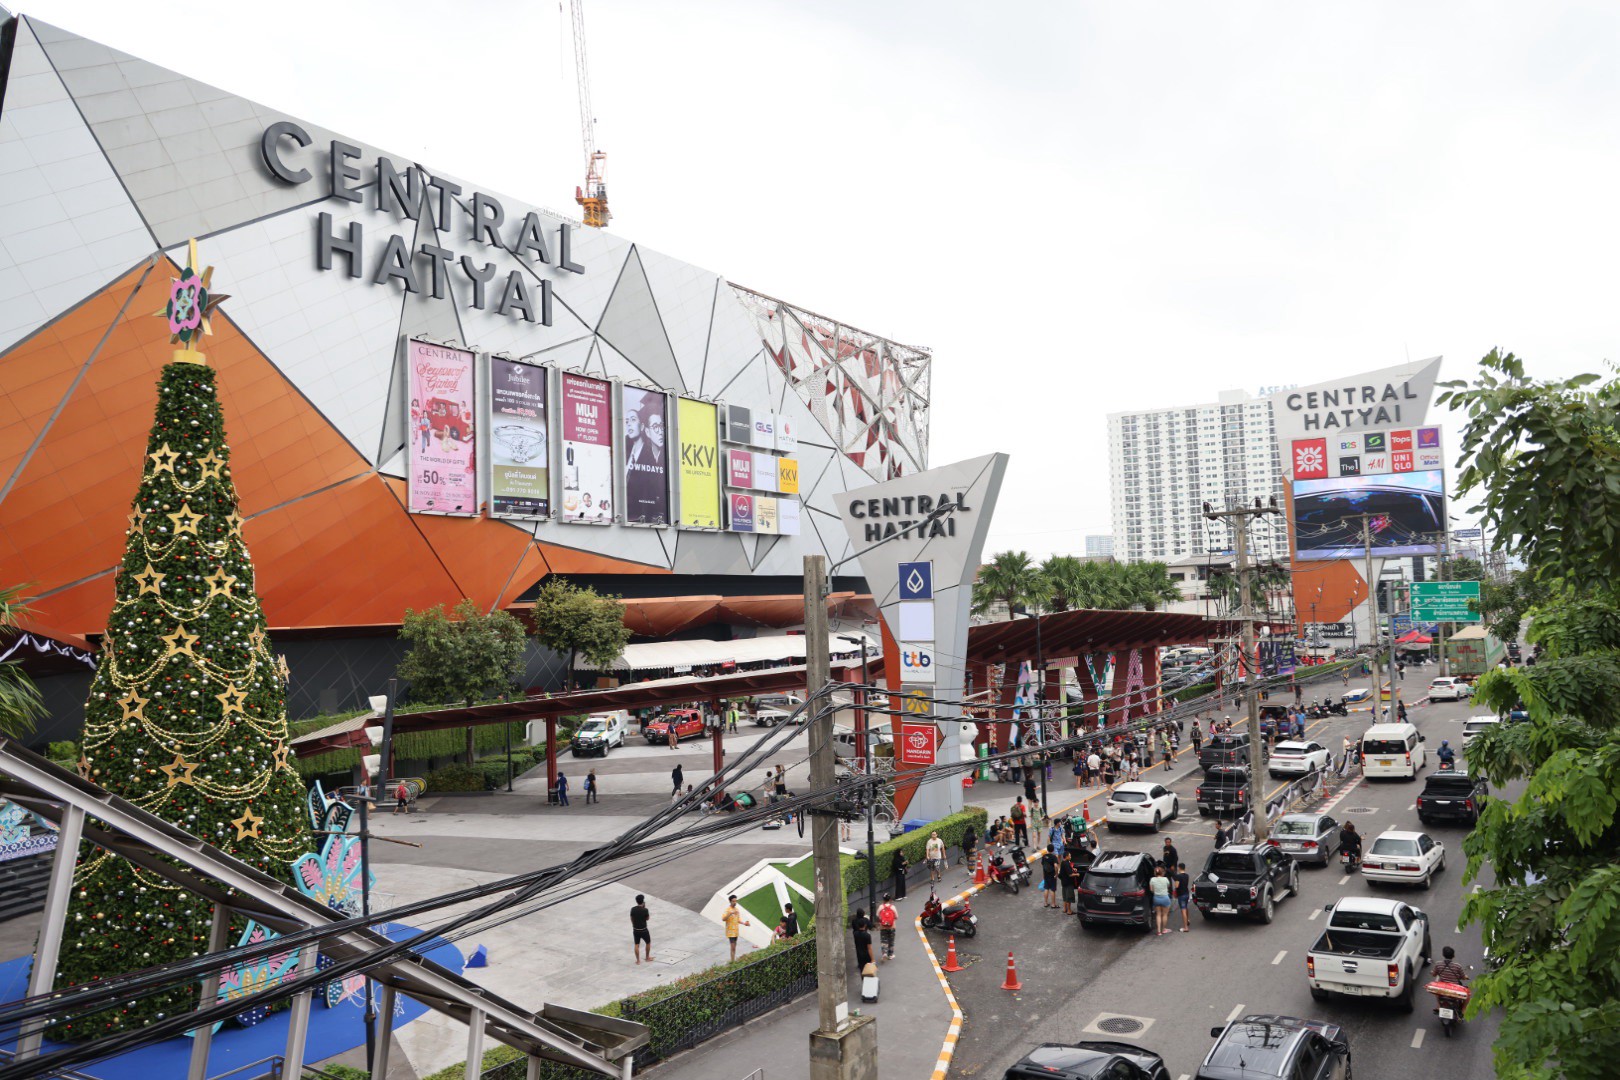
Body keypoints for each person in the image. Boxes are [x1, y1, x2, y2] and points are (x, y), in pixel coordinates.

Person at [723, 894, 751, 960]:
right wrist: (729, 914)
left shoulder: (737, 910)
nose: (735, 902)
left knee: (734, 947)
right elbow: (723, 919)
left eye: (736, 901)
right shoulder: (727, 910)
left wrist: (744, 923)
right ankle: (732, 961)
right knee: (732, 947)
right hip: (730, 932)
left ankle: (733, 960)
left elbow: (738, 919)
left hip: (736, 931)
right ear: (730, 901)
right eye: (733, 901)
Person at [1149, 862, 1173, 935]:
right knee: (1165, 914)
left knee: (1158, 914)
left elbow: (1151, 890)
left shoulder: (1152, 879)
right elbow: (1168, 886)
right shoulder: (1165, 879)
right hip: (1165, 898)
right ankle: (1164, 929)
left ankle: (1159, 931)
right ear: (1162, 872)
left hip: (1156, 898)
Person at [630, 894, 652, 963]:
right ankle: (647, 957)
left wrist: (634, 925)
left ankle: (638, 960)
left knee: (636, 944)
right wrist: (644, 908)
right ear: (642, 901)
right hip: (644, 930)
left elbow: (632, 919)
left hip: (636, 930)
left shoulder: (633, 909)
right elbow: (647, 918)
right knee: (648, 943)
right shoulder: (645, 910)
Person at [876, 894, 899, 960]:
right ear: (890, 900)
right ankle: (890, 955)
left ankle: (884, 953)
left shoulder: (881, 907)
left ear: (883, 900)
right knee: (891, 941)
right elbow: (897, 916)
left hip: (883, 927)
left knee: (884, 940)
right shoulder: (893, 907)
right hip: (892, 926)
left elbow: (877, 915)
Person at [1173, 862, 1193, 933]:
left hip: (1181, 895)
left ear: (1179, 868)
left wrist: (1175, 882)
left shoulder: (1178, 876)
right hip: (1186, 893)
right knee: (1186, 908)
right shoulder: (1186, 875)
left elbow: (1176, 886)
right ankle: (1187, 920)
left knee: (1183, 910)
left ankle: (1185, 927)